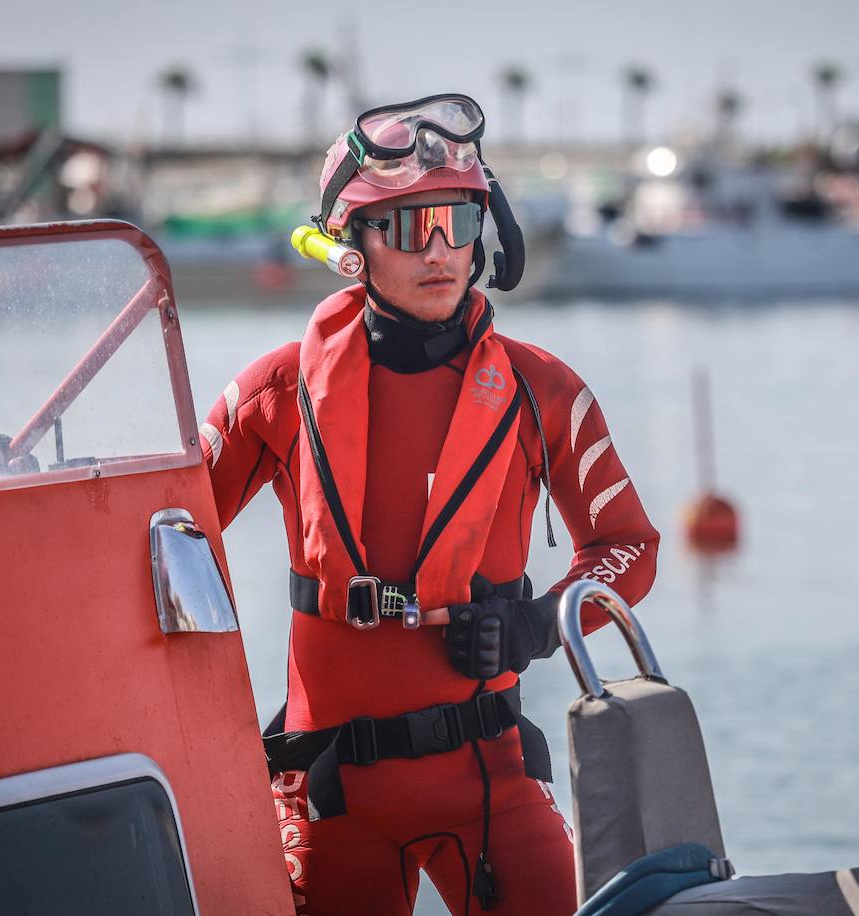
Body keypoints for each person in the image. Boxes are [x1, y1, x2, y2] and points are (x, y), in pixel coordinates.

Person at [199, 93, 659, 916]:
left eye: (459, 219)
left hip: (495, 780)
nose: (441, 249)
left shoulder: (541, 390)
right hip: (331, 793)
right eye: (411, 226)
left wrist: (537, 624)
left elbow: (629, 547)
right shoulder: (274, 393)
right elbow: (158, 535)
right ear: (353, 244)